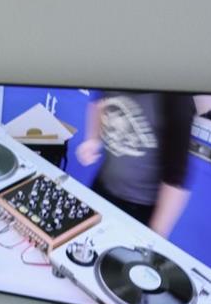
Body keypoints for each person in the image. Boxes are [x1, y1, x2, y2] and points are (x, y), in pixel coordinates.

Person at [75, 90, 196, 238]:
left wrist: (153, 238)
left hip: (140, 211)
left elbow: (176, 179)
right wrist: (93, 138)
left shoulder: (176, 96)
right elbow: (97, 102)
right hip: (102, 189)